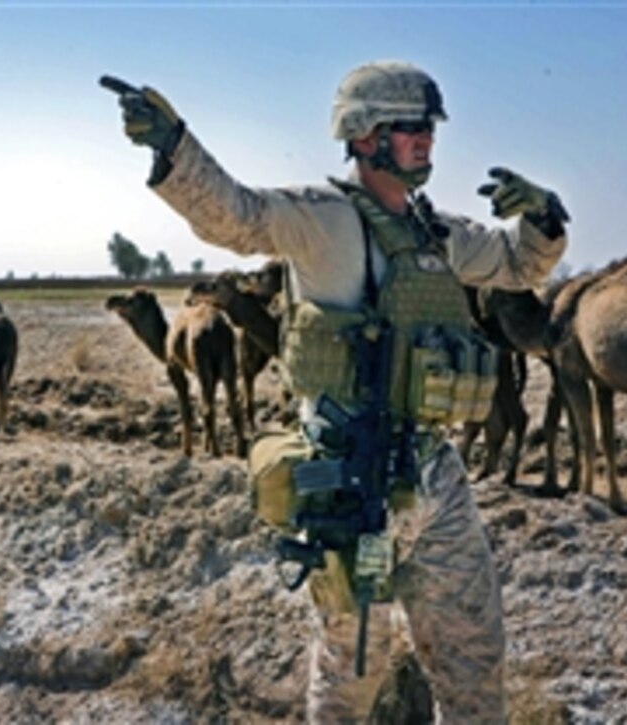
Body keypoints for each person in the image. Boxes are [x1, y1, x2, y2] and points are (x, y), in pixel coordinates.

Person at [104, 61, 568, 723]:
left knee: (475, 663)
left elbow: (520, 264)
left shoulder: (438, 232)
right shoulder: (318, 217)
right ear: (363, 133)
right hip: (355, 484)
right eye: (408, 126)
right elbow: (233, 216)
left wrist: (542, 215)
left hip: (436, 476)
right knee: (352, 674)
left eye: (429, 126)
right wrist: (174, 146)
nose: (425, 139)